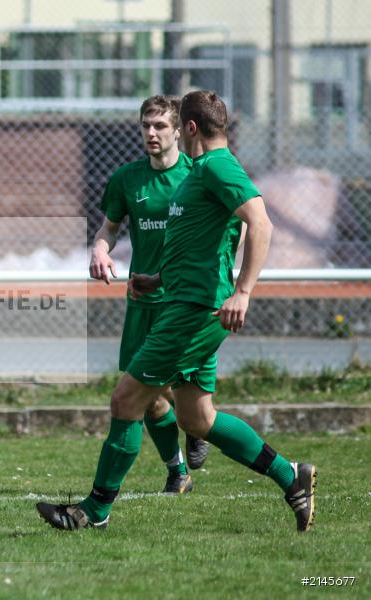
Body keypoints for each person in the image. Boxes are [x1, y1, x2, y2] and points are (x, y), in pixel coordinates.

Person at [38, 90, 315, 532]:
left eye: (166, 125)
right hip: (179, 299)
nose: (153, 133)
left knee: (127, 398)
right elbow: (202, 244)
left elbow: (260, 222)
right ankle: (291, 475)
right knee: (196, 419)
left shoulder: (217, 166)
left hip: (194, 312)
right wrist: (160, 279)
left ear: (188, 128)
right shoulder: (201, 172)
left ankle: (93, 511)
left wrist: (242, 291)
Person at [90, 95, 210, 496]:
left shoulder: (198, 175)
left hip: (184, 302)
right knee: (149, 397)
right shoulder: (127, 178)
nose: (151, 133)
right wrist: (100, 248)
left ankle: (195, 424)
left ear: (179, 130)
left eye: (159, 126)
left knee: (149, 388)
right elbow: (108, 228)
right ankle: (178, 470)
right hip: (143, 301)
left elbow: (238, 223)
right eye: (145, 125)